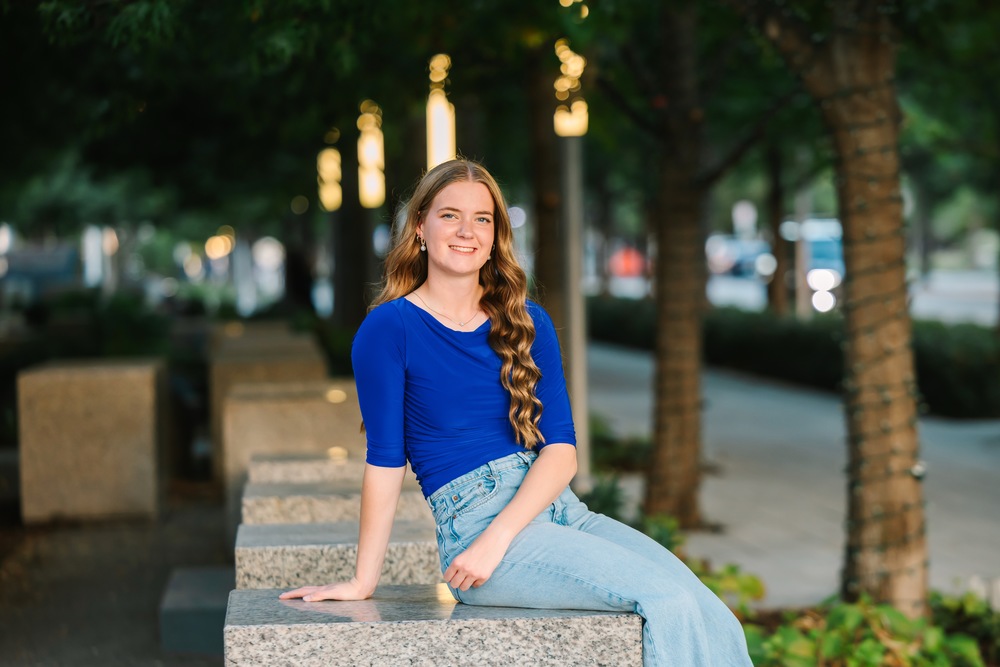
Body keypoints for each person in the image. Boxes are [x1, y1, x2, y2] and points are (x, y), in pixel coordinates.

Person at [281, 158, 752, 666]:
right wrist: (364, 579)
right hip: (475, 526)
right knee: (667, 600)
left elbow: (562, 452)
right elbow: (385, 461)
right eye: (449, 216)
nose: (467, 231)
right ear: (419, 227)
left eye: (482, 218)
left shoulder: (527, 321)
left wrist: (504, 532)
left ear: (496, 233)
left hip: (560, 510)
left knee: (710, 611)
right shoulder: (388, 329)